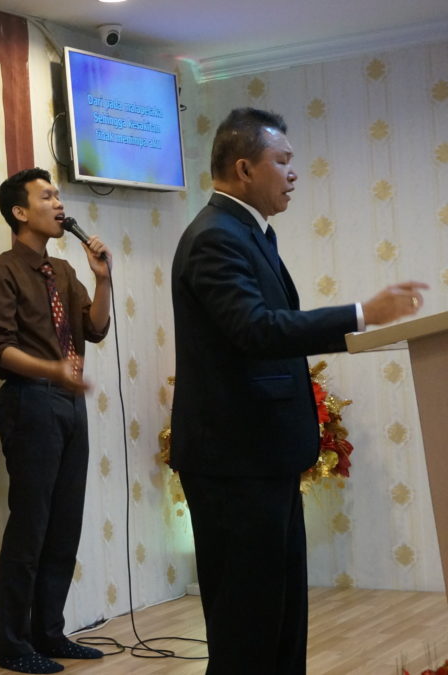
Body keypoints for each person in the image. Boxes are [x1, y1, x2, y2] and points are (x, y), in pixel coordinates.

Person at [170, 107, 428, 673]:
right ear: (244, 168)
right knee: (248, 625)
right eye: (282, 161)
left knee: (280, 617)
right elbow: (256, 329)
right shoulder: (215, 237)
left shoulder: (248, 232)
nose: (293, 173)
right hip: (235, 462)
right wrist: (361, 314)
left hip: (263, 456)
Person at [0, 167, 112, 674]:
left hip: (69, 405)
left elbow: (95, 329)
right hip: (30, 401)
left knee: (64, 523)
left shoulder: (65, 272)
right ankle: (13, 645)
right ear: (19, 211)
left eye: (58, 196)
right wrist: (54, 369)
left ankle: (49, 632)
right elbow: (2, 352)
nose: (59, 204)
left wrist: (102, 279)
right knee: (30, 526)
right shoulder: (0, 273)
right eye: (47, 196)